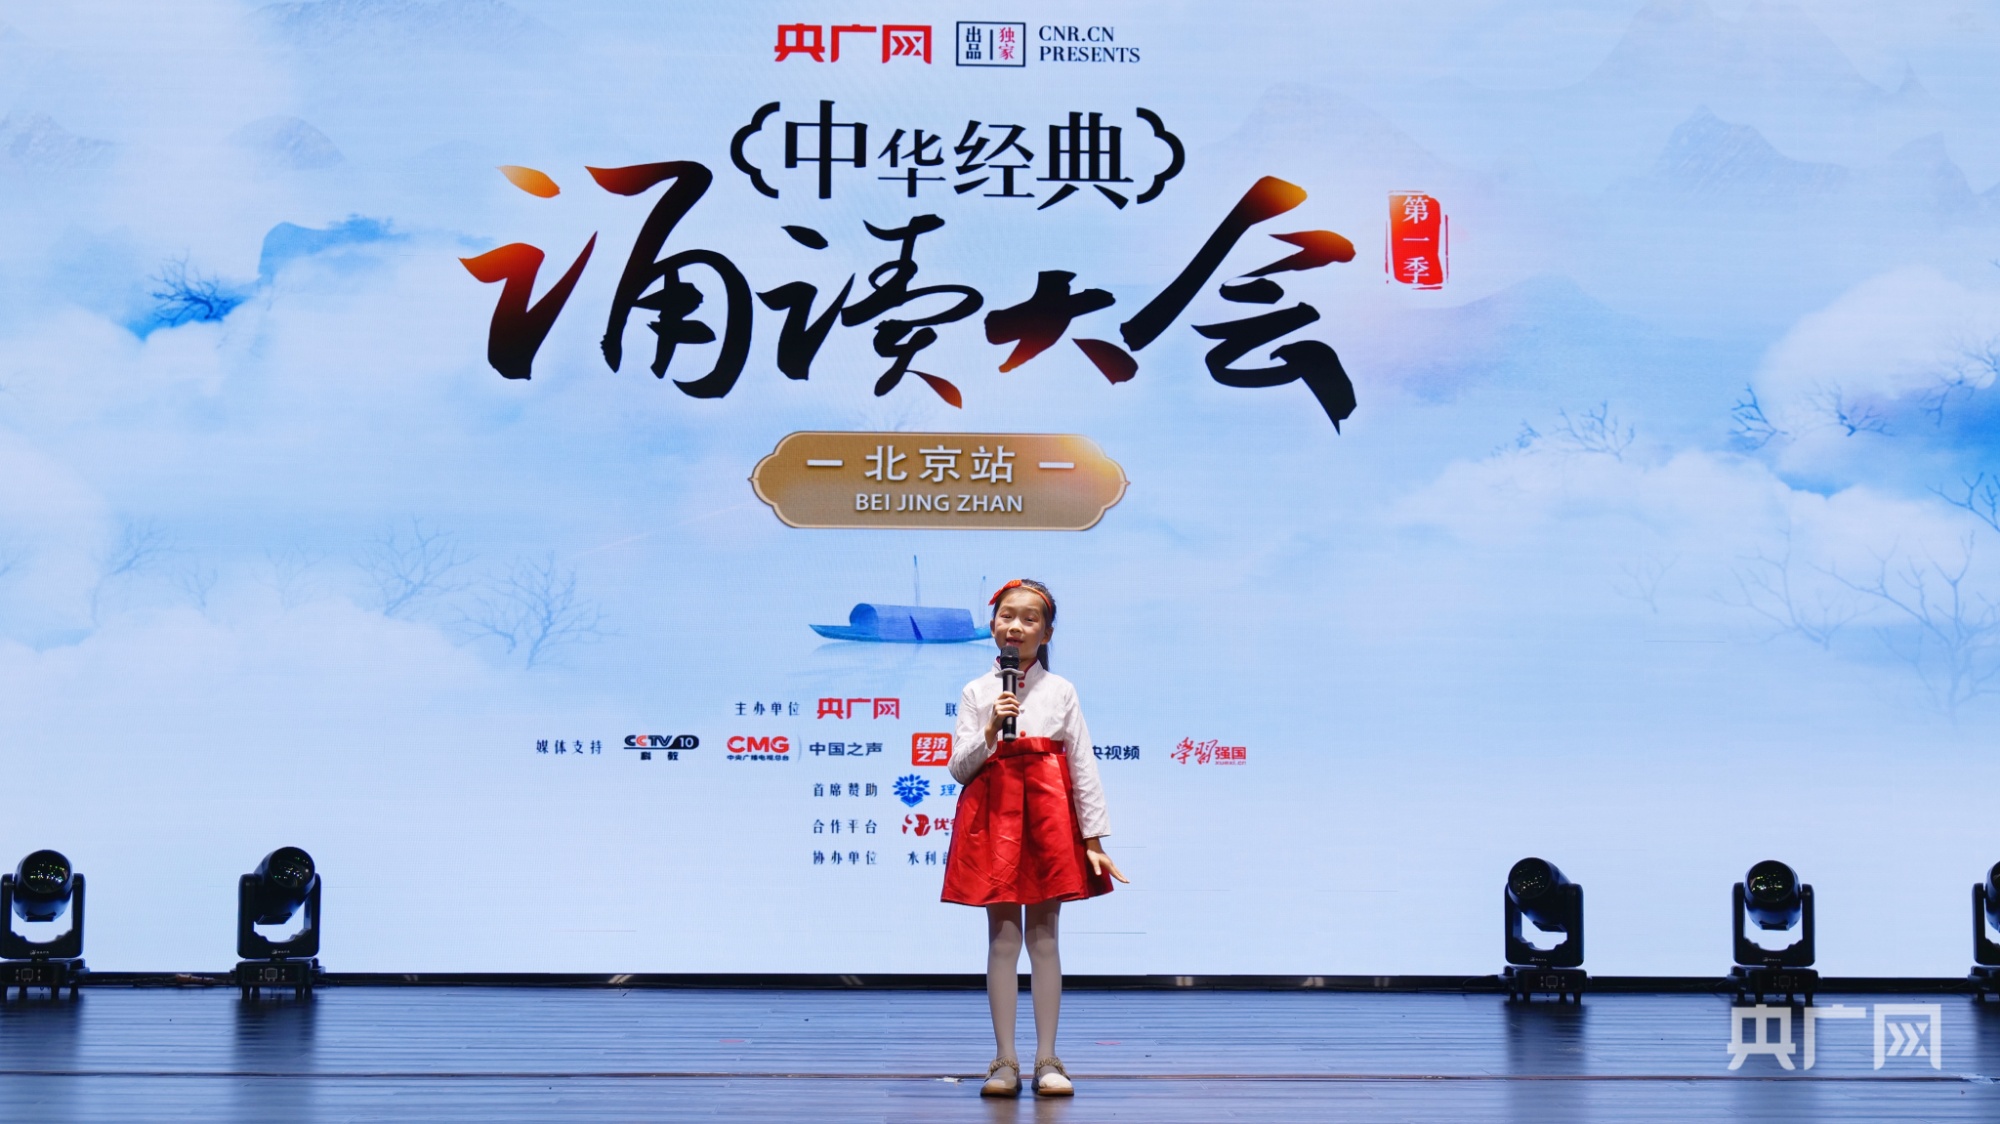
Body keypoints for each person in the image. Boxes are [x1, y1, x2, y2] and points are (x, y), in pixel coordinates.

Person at [942, 578, 1128, 1097]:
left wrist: (1093, 838)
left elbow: (1083, 765)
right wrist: (989, 731)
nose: (1015, 627)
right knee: (1003, 939)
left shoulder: (1061, 690)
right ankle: (1004, 1061)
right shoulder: (977, 691)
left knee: (1044, 938)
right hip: (993, 817)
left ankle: (1048, 1059)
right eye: (1007, 616)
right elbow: (958, 769)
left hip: (1048, 818)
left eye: (1029, 618)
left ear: (1046, 633)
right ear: (992, 626)